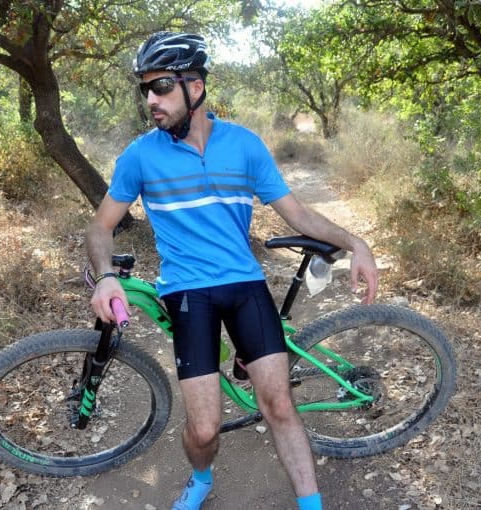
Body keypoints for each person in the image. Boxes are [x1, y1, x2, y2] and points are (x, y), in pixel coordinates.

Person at [86, 31, 379, 510]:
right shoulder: (140, 155)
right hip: (188, 293)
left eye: (161, 86)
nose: (151, 99)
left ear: (195, 87)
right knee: (204, 429)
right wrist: (105, 275)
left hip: (245, 286)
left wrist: (356, 243)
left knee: (278, 404)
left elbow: (298, 214)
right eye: (145, 89)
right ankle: (201, 479)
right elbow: (100, 228)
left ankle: (312, 505)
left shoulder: (244, 145)